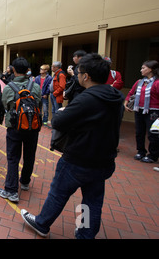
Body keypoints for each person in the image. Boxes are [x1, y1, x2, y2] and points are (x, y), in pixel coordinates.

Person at [21, 53, 125, 239]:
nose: (77, 75)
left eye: (79, 72)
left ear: (86, 76)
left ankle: (42, 223)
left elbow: (60, 122)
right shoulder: (116, 96)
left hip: (79, 158)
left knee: (58, 193)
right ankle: (85, 233)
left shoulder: (87, 98)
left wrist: (62, 112)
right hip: (104, 160)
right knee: (92, 200)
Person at [0, 57, 41, 203]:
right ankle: (25, 182)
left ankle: (11, 190)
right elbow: (39, 103)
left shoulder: (9, 87)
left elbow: (5, 104)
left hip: (14, 126)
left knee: (13, 157)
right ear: (28, 70)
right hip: (32, 126)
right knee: (30, 155)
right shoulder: (35, 86)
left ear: (13, 70)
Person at [125, 60, 159, 163]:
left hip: (153, 111)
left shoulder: (157, 83)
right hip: (138, 109)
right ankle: (140, 151)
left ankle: (153, 155)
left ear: (151, 69)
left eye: (143, 68)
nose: (141, 70)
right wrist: (125, 104)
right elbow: (131, 93)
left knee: (152, 133)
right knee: (139, 132)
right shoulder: (140, 82)